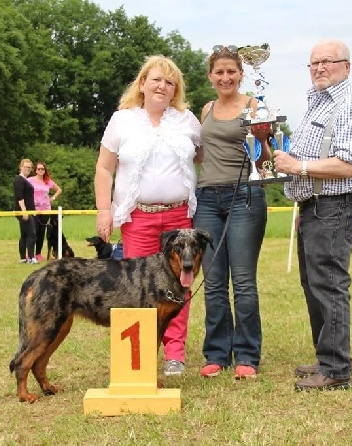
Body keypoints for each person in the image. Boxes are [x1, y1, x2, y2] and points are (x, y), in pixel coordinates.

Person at [272, 39, 352, 390]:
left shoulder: (351, 106)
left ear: (347, 66)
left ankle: (336, 371)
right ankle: (325, 357)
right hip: (315, 207)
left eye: (327, 61)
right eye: (313, 63)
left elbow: (346, 166)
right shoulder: (318, 104)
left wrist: (297, 167)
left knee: (329, 283)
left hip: (336, 206)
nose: (319, 68)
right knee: (314, 283)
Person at [93, 55, 201, 376]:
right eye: (156, 79)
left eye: (170, 83)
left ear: (175, 90)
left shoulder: (187, 120)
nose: (162, 86)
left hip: (180, 216)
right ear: (142, 84)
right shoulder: (122, 120)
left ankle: (175, 354)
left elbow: (205, 155)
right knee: (138, 287)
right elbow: (104, 167)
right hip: (137, 217)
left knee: (179, 286)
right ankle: (137, 357)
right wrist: (104, 209)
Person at [193, 45, 272, 380]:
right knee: (212, 282)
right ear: (211, 76)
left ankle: (247, 355)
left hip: (245, 197)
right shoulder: (207, 108)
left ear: (241, 74)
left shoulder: (254, 106)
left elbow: (264, 159)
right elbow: (199, 154)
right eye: (219, 72)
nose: (225, 77)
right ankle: (216, 353)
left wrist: (263, 140)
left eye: (231, 71)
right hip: (207, 199)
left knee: (242, 281)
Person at [27, 161, 62, 262]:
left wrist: (53, 198)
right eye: (39, 169)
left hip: (46, 209)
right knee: (33, 232)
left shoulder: (48, 181)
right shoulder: (30, 180)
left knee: (42, 232)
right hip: (34, 209)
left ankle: (38, 253)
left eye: (42, 169)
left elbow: (59, 189)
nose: (41, 171)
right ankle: (30, 253)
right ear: (35, 170)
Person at [14, 158, 38, 264]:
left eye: (29, 167)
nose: (27, 169)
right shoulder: (19, 179)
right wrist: (24, 211)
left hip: (27, 210)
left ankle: (23, 258)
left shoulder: (25, 180)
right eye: (26, 167)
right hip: (23, 210)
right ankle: (31, 258)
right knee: (31, 233)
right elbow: (19, 196)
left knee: (24, 234)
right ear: (21, 167)